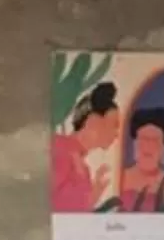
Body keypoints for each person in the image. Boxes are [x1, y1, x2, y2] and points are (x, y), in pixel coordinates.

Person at [51, 80, 123, 210]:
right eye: (114, 125)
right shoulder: (60, 149)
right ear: (93, 122)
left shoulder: (83, 167)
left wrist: (94, 195)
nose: (116, 134)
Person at [120, 106, 164, 213]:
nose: (148, 146)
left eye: (155, 140)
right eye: (144, 139)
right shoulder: (118, 179)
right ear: (135, 143)